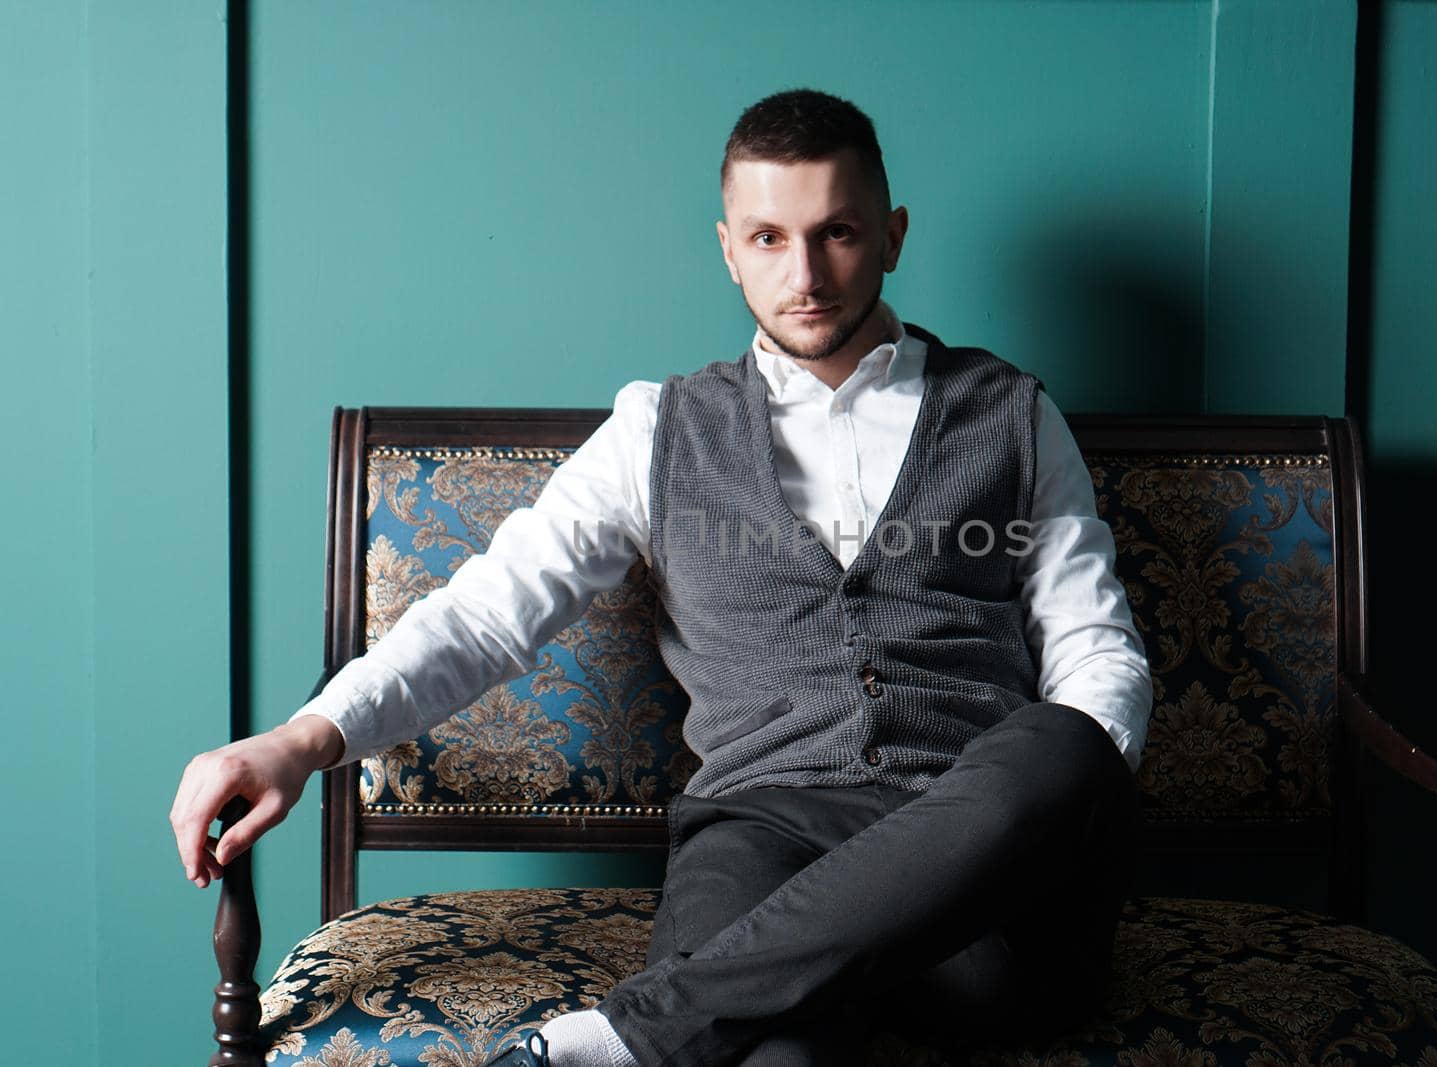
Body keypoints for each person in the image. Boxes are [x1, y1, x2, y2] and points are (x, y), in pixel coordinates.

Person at [170, 88, 1151, 1067]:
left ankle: (639, 1031)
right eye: (769, 238)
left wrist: (998, 829)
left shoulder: (1012, 413)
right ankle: (740, 997)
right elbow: (484, 617)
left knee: (1069, 744)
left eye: (837, 233)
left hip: (979, 878)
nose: (803, 273)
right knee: (773, 1051)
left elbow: (1096, 649)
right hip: (763, 839)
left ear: (890, 235)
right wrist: (302, 739)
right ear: (728, 248)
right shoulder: (656, 429)